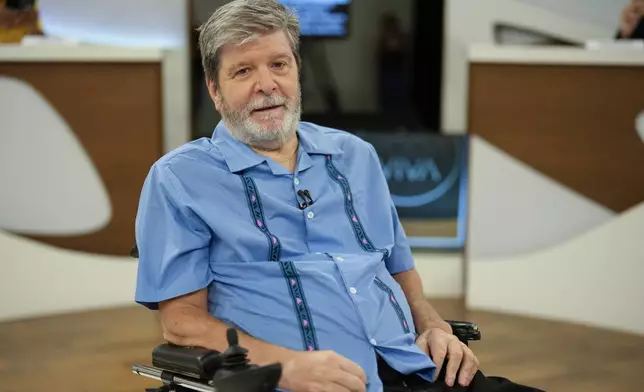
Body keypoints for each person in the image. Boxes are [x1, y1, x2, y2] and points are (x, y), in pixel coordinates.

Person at [134, 1, 543, 391]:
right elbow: (182, 322)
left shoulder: (355, 156)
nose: (267, 85)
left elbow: (399, 271)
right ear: (214, 90)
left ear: (297, 72)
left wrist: (435, 327)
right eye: (242, 71)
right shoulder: (180, 179)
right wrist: (283, 366)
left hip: (412, 365)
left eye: (279, 64)